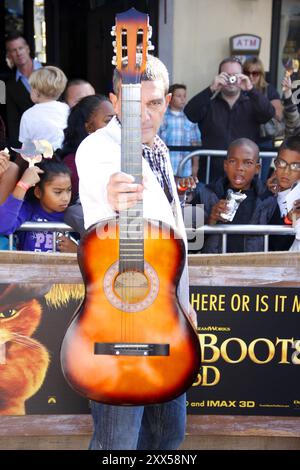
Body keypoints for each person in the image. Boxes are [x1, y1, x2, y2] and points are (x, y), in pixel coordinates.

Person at [76, 55, 195, 450]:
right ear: (113, 100)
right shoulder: (96, 149)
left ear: (167, 102)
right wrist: (115, 195)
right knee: (117, 443)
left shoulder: (159, 148)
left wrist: (185, 303)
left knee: (167, 437)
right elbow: (106, 184)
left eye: (155, 103)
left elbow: (173, 240)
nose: (145, 116)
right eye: (133, 104)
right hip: (118, 324)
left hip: (168, 321)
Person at [184, 56, 275, 182]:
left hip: (243, 178)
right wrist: (211, 89)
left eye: (236, 75)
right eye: (227, 75)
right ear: (219, 76)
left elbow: (269, 113)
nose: (231, 80)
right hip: (212, 176)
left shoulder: (252, 103)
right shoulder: (209, 103)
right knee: (205, 202)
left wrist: (250, 89)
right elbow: (190, 113)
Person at [189, 138, 275, 253]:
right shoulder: (204, 194)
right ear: (225, 165)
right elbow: (188, 244)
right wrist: (211, 221)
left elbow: (280, 246)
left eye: (248, 162)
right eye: (233, 161)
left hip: (253, 270)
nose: (239, 168)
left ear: (257, 169)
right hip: (213, 269)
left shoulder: (268, 200)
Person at [0, 158, 76, 253]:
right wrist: (23, 185)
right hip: (27, 267)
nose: (65, 198)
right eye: (58, 192)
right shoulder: (29, 210)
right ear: (38, 192)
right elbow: (3, 226)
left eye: (69, 190)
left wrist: (77, 250)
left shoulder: (74, 215)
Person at [60, 94, 115, 202]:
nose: (116, 125)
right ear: (89, 127)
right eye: (108, 121)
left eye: (116, 120)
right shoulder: (72, 163)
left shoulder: (122, 153)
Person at [243, 57, 284, 180]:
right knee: (242, 176)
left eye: (254, 73)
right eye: (247, 72)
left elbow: (278, 115)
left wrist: (260, 102)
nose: (250, 76)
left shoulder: (269, 90)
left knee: (260, 177)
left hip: (263, 140)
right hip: (243, 138)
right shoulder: (239, 88)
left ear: (261, 74)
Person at [5, 32, 42, 148]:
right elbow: (13, 121)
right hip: (29, 145)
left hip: (56, 138)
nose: (18, 53)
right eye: (13, 50)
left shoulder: (51, 70)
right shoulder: (9, 85)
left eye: (20, 48)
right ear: (9, 55)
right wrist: (17, 150)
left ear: (27, 49)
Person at [18, 66, 69, 151]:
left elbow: (25, 146)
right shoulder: (66, 109)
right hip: (63, 157)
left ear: (37, 92)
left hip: (39, 160)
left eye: (31, 88)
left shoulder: (28, 114)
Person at [158, 83, 201, 177]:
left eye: (184, 96)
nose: (183, 99)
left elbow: (195, 143)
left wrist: (195, 166)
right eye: (179, 96)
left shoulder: (189, 118)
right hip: (165, 167)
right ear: (170, 98)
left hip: (185, 169)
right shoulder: (162, 118)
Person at [267, 136, 300, 251]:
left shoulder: (297, 199)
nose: (287, 171)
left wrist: (291, 219)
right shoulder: (267, 194)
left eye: (295, 166)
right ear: (275, 164)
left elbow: (295, 226)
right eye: (282, 163)